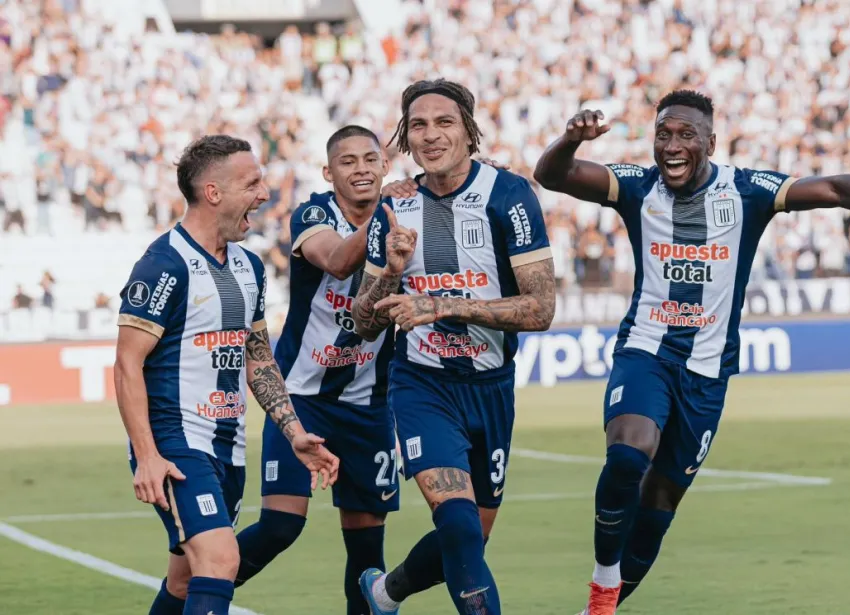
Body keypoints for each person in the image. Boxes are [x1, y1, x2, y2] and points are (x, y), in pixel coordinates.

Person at [531, 89, 850, 615]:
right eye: (663, 134)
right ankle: (603, 579)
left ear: (710, 141)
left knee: (659, 504)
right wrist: (571, 139)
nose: (672, 146)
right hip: (646, 352)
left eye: (686, 135)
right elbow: (552, 175)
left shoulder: (746, 191)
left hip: (708, 373)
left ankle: (602, 607)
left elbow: (836, 187)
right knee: (628, 450)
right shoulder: (636, 187)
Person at [352, 78, 557, 615]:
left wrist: (442, 306)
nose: (431, 135)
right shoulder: (393, 208)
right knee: (460, 525)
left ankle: (383, 592)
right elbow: (363, 325)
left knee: (472, 538)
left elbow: (540, 309)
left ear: (469, 131)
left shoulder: (509, 197)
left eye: (444, 122)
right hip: (422, 383)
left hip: (491, 386)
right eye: (418, 124)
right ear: (405, 136)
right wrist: (392, 275)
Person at [114, 135, 339, 615]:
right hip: (176, 445)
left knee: (184, 581)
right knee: (220, 561)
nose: (264, 194)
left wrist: (295, 432)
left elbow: (258, 358)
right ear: (213, 193)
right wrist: (148, 456)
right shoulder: (163, 266)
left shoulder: (249, 267)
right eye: (252, 183)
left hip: (227, 446)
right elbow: (127, 363)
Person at [232, 125, 399, 615]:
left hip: (369, 405)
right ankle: (193, 591)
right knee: (282, 526)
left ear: (385, 166)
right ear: (330, 173)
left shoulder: (408, 213)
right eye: (348, 162)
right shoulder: (314, 213)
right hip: (301, 396)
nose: (362, 169)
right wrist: (387, 218)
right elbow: (338, 260)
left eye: (371, 159)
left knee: (368, 556)